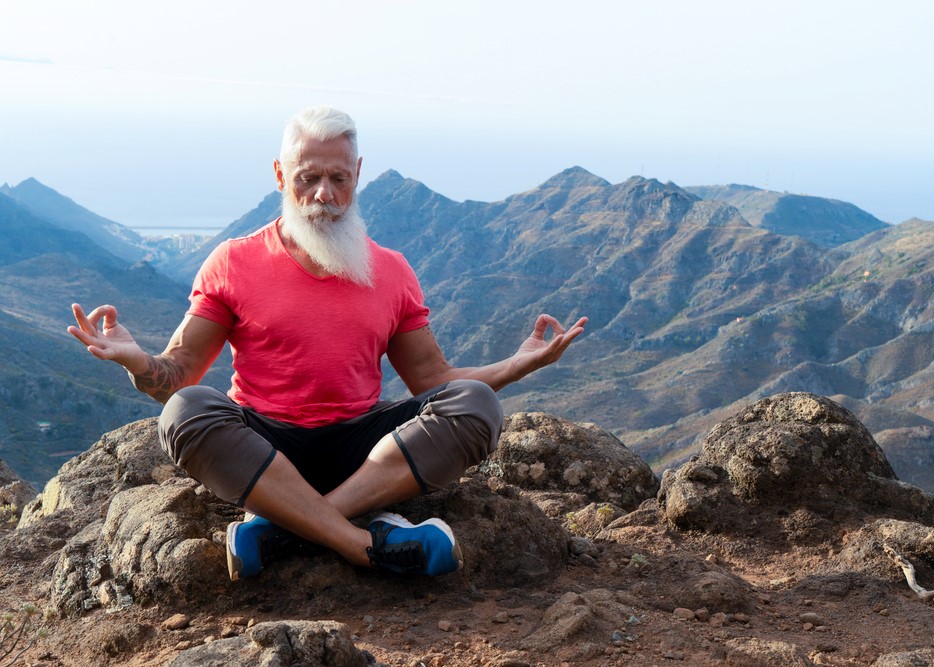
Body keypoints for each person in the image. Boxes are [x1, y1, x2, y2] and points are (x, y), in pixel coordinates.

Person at [68, 105, 587, 581]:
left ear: (357, 175)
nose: (324, 194)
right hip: (266, 446)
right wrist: (138, 362)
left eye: (338, 178)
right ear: (279, 176)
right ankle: (365, 542)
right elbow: (178, 373)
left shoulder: (391, 270)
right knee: (185, 411)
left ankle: (289, 526)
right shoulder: (234, 261)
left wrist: (516, 366)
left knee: (476, 405)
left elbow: (432, 381)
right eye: (308, 178)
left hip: (365, 451)